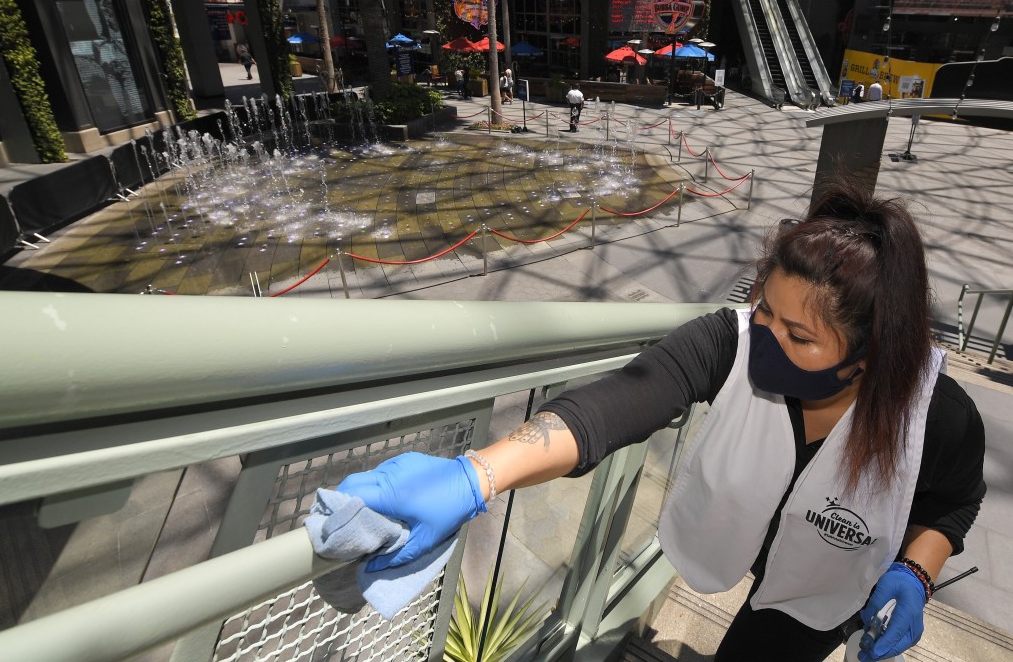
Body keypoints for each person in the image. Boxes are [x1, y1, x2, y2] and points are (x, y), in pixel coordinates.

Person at [335, 180, 986, 662]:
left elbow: (955, 502)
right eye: (765, 313)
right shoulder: (731, 342)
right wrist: (478, 475)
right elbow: (626, 397)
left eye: (798, 337)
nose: (764, 344)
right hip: (743, 538)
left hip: (827, 582)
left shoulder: (939, 419)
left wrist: (916, 572)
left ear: (869, 357)